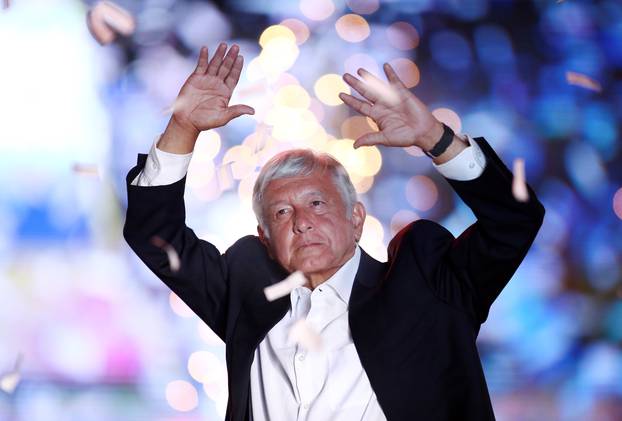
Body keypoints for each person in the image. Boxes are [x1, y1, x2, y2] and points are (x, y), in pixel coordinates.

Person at [124, 43, 545, 421]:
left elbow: (515, 220)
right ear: (265, 237)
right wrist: (182, 127)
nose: (301, 221)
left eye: (317, 203)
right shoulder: (246, 289)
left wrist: (434, 138)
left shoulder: (424, 278)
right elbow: (154, 234)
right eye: (282, 211)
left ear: (356, 219)